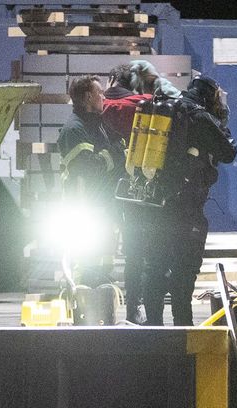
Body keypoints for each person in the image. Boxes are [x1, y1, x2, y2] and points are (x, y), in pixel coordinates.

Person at [142, 75, 236, 326]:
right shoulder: (200, 117)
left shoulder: (167, 108)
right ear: (209, 95)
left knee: (156, 266)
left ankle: (153, 325)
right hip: (186, 207)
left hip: (155, 204)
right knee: (184, 268)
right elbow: (228, 152)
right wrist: (222, 120)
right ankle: (183, 325)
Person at [56, 75, 125, 288]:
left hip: (103, 205)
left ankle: (101, 305)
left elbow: (120, 146)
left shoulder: (98, 123)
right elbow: (89, 168)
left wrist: (111, 154)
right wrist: (113, 155)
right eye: (99, 93)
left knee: (103, 263)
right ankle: (82, 307)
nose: (103, 96)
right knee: (85, 266)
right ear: (88, 97)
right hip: (85, 207)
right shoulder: (74, 130)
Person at [102, 64, 153, 324]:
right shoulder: (144, 105)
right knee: (138, 253)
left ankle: (98, 307)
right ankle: (136, 308)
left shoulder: (99, 107)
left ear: (112, 79)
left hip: (103, 194)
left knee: (99, 252)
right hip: (139, 194)